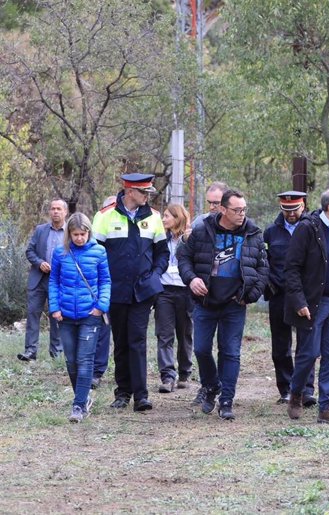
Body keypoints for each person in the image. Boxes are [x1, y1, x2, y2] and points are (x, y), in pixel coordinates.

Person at [177, 188, 269, 420]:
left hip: (234, 304)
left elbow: (263, 267)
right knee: (200, 349)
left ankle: (226, 400)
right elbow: (184, 257)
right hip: (206, 301)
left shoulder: (253, 233)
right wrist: (192, 279)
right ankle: (211, 385)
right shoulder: (202, 230)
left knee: (230, 353)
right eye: (236, 210)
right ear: (223, 209)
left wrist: (251, 294)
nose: (241, 214)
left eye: (244, 209)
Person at [92, 173, 169, 411]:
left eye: (148, 192)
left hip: (142, 292)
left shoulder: (154, 217)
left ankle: (141, 395)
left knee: (137, 340)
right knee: (121, 343)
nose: (147, 196)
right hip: (115, 290)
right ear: (129, 192)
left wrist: (155, 275)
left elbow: (163, 253)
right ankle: (122, 393)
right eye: (143, 191)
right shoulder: (105, 216)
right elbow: (94, 255)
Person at [284, 186, 329, 424]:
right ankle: (296, 395)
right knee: (308, 354)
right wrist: (299, 301)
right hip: (313, 304)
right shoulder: (307, 228)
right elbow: (292, 268)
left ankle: (327, 407)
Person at [49, 213, 111, 423]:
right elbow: (54, 282)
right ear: (69, 234)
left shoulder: (99, 251)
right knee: (71, 361)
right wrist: (55, 308)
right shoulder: (60, 253)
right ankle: (82, 399)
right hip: (65, 315)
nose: (79, 238)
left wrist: (101, 306)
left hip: (89, 315)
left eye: (82, 234)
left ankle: (77, 405)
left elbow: (105, 281)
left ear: (88, 232)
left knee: (85, 361)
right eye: (75, 234)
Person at [263, 191, 316, 405]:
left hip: (306, 295)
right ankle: (285, 388)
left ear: (302, 206)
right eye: (286, 210)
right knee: (280, 346)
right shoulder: (271, 233)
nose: (291, 214)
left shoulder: (313, 228)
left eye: (294, 209)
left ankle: (306, 389)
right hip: (279, 294)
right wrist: (270, 284)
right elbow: (263, 261)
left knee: (307, 344)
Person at [18, 199, 67, 361]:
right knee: (33, 314)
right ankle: (30, 351)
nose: (55, 212)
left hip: (60, 280)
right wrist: (39, 263)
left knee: (57, 316)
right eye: (53, 209)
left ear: (65, 212)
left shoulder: (71, 232)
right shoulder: (40, 230)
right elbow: (30, 251)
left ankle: (57, 352)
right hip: (39, 279)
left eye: (58, 209)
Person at [155, 204, 194, 393]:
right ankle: (167, 376)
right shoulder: (161, 239)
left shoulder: (190, 239)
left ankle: (185, 373)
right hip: (164, 291)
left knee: (185, 333)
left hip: (186, 291)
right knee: (164, 335)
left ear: (177, 217)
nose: (163, 219)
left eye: (167, 215)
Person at [91, 195, 117, 389]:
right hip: (100, 286)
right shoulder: (96, 234)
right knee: (101, 328)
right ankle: (96, 371)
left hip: (122, 286)